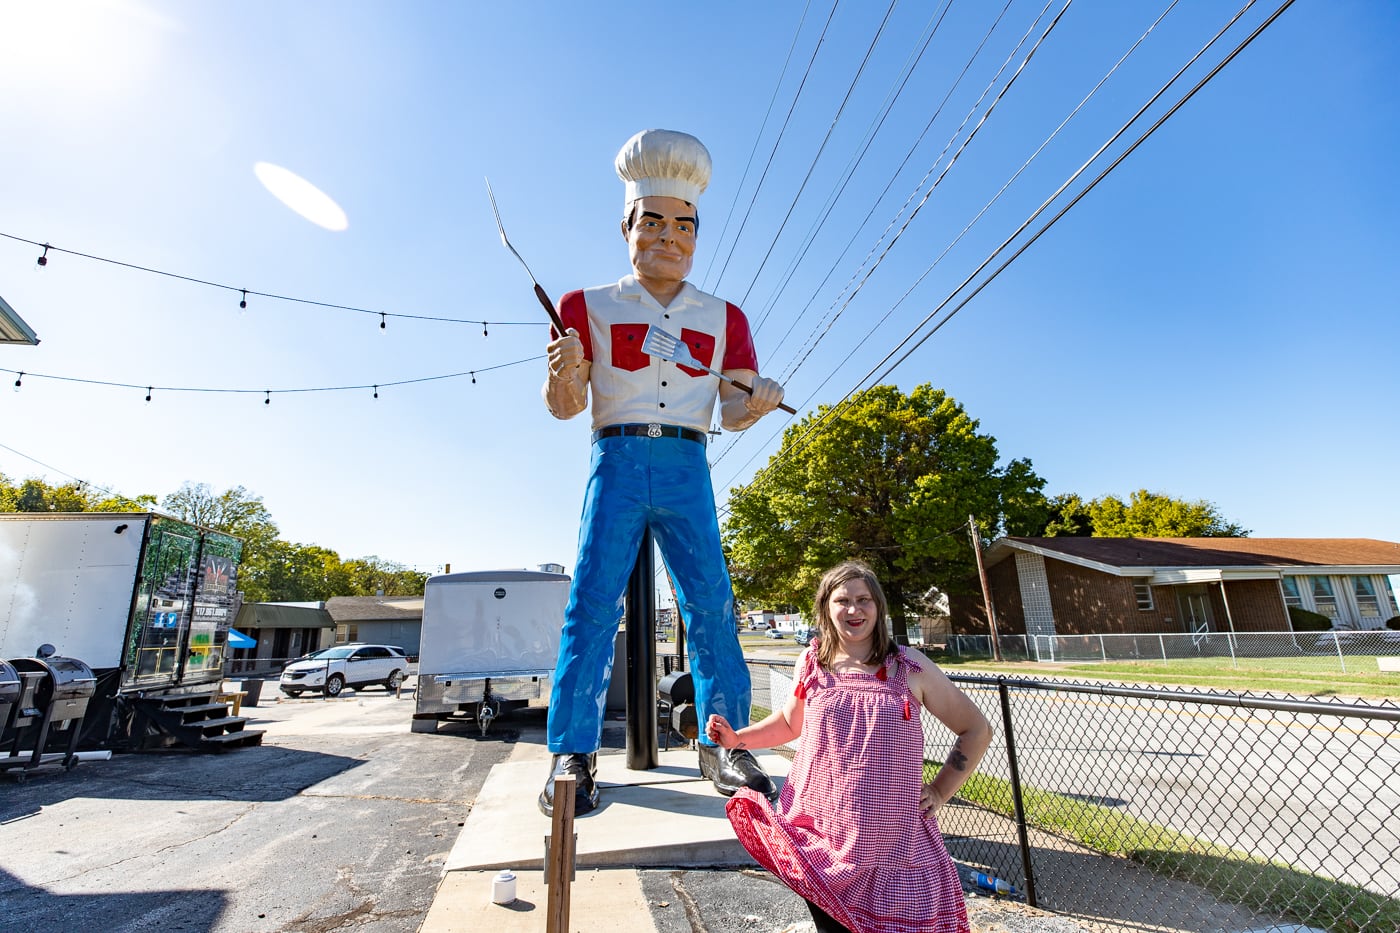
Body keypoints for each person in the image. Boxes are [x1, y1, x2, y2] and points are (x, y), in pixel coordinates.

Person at [538, 128, 788, 817]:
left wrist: (756, 402)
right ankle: (573, 750)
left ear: (697, 234)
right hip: (615, 456)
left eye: (685, 225)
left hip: (686, 458)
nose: (670, 238)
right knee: (592, 601)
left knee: (711, 603)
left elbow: (732, 407)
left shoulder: (724, 316)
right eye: (654, 222)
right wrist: (561, 376)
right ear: (626, 225)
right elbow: (566, 406)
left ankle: (725, 741)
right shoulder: (583, 306)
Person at [706, 561, 993, 933]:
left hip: (889, 846)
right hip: (819, 835)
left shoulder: (909, 668)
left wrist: (939, 791)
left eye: (864, 600)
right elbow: (791, 724)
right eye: (843, 600)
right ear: (826, 607)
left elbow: (976, 729)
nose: (854, 610)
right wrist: (737, 739)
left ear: (879, 607)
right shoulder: (811, 662)